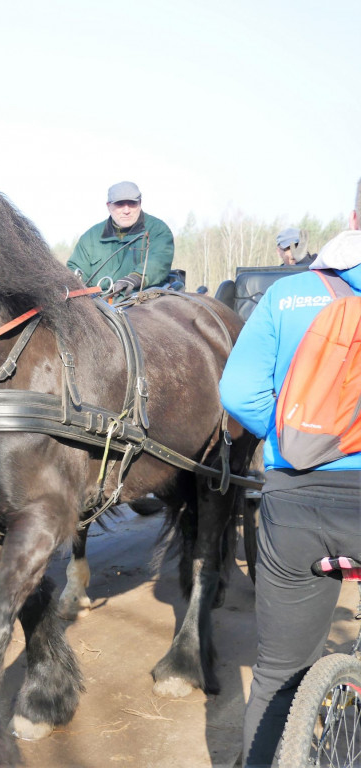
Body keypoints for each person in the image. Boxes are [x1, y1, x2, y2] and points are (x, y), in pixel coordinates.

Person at [220, 182, 361, 768]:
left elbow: (236, 391)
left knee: (279, 675)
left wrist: (294, 441)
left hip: (294, 501)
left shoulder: (290, 295)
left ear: (354, 217)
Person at [67, 181, 175, 296]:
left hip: (142, 301)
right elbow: (74, 271)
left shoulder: (157, 230)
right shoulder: (90, 237)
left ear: (140, 203)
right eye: (120, 204)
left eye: (132, 203)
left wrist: (136, 277)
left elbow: (159, 262)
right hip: (99, 304)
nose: (126, 211)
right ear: (109, 206)